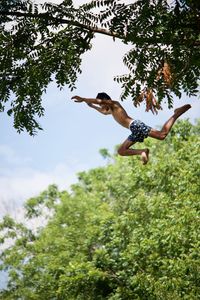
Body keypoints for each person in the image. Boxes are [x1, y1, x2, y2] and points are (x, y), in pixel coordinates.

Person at [71, 92, 191, 164]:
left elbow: (99, 101)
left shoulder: (115, 104)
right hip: (133, 130)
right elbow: (102, 111)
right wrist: (90, 105)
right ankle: (143, 151)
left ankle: (177, 113)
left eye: (103, 104)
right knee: (121, 151)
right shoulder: (111, 111)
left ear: (107, 101)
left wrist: (83, 98)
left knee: (162, 135)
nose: (102, 107)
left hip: (135, 125)